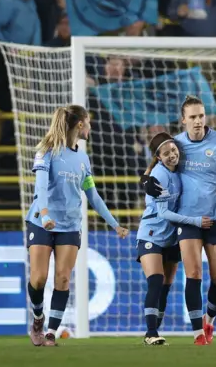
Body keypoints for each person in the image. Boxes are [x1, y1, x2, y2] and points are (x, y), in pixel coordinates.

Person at [25, 105, 129, 347]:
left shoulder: (83, 158)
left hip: (70, 226)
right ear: (80, 124)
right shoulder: (46, 151)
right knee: (39, 279)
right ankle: (38, 317)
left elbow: (93, 195)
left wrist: (114, 225)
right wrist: (45, 214)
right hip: (42, 222)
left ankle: (51, 332)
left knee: (62, 278)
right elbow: (40, 187)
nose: (90, 127)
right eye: (89, 122)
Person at [143, 95, 216, 345]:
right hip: (188, 220)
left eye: (201, 116)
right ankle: (198, 333)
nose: (198, 121)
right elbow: (158, 158)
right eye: (193, 117)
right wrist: (144, 178)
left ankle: (209, 320)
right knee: (193, 273)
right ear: (183, 120)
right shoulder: (177, 145)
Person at [136, 132, 213, 345]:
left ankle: (152, 332)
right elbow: (163, 213)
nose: (172, 154)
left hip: (171, 237)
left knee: (166, 286)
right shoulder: (159, 175)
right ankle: (151, 332)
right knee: (155, 280)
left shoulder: (179, 170)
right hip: (151, 233)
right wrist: (196, 221)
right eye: (166, 153)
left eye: (173, 150)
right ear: (158, 157)